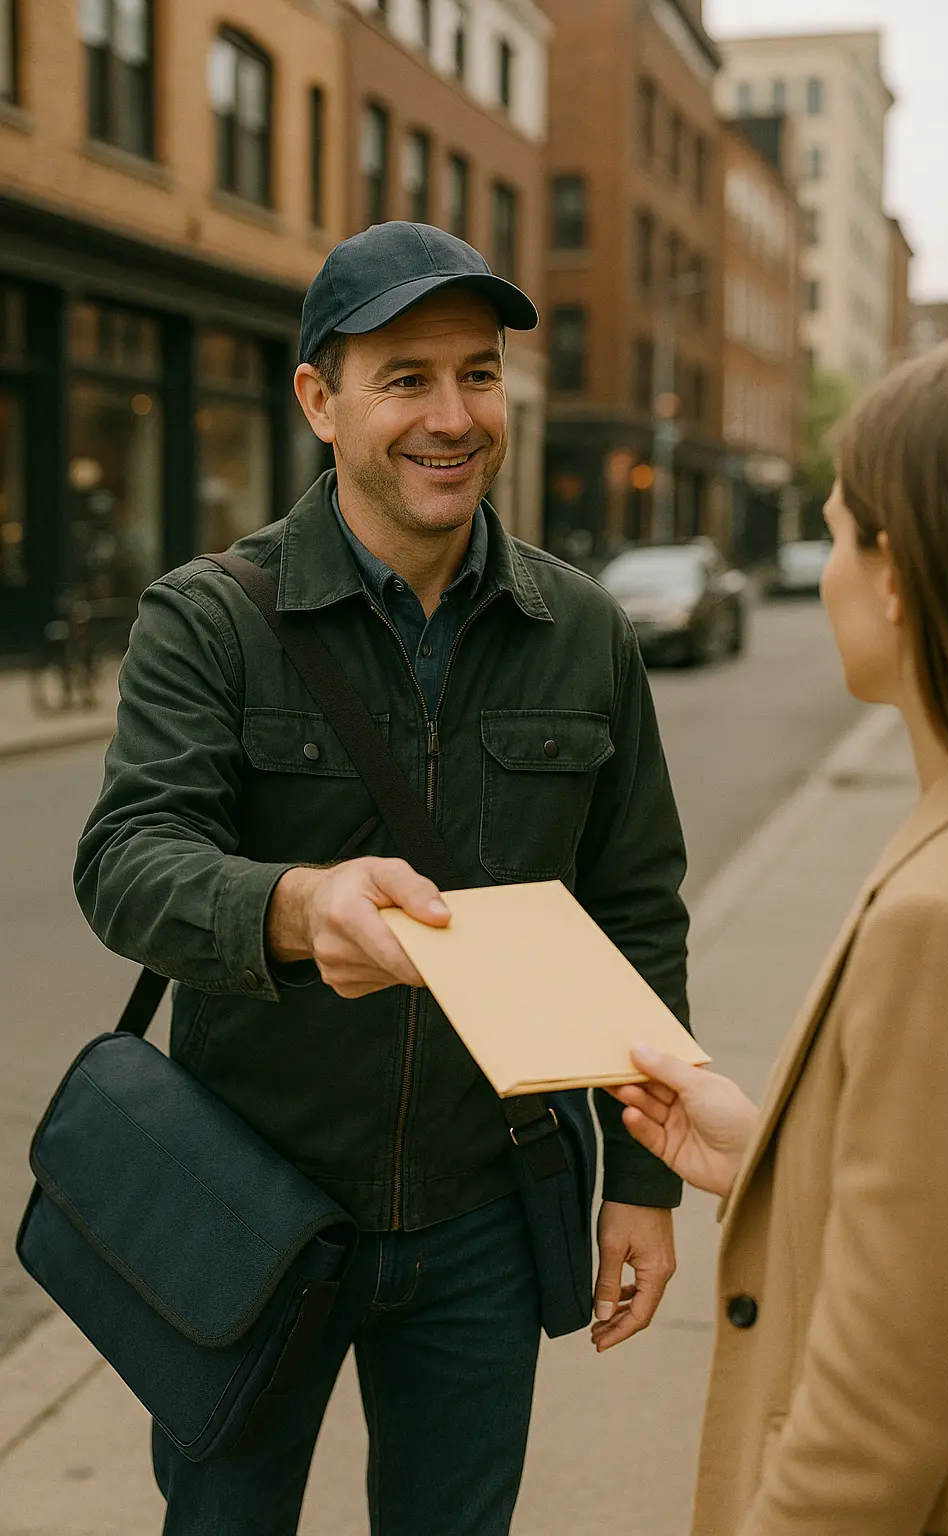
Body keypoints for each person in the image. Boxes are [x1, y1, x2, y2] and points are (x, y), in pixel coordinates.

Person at [74, 222, 689, 1536]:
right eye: (406, 377)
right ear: (319, 399)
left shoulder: (580, 630)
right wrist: (295, 910)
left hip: (487, 1203)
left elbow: (638, 911)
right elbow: (129, 863)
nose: (452, 415)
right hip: (252, 1204)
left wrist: (641, 1185)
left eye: (478, 373)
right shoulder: (209, 618)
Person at [615, 338, 948, 1535]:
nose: (830, 570)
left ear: (897, 575)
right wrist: (779, 1154)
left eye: (841, 535)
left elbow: (872, 1426)